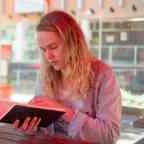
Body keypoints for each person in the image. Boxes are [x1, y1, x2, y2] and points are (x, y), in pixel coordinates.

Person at [13, 10, 121, 144]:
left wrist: (62, 111)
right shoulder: (45, 75)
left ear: (73, 42)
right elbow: (42, 132)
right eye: (43, 49)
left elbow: (109, 135)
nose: (48, 56)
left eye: (53, 47)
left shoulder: (103, 75)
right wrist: (29, 127)